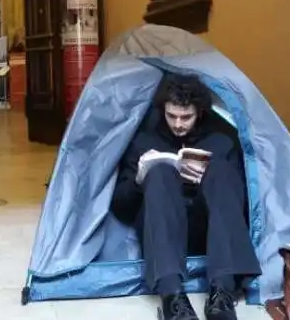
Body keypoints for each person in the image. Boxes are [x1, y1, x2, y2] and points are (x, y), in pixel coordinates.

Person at [110, 74, 260, 320]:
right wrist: (140, 178)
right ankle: (173, 297)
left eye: (186, 117)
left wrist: (204, 179)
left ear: (199, 112)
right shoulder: (144, 141)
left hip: (210, 230)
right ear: (163, 111)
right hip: (159, 231)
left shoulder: (222, 140)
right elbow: (121, 207)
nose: (178, 124)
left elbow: (241, 204)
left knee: (221, 169)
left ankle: (222, 292)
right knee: (158, 172)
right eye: (172, 116)